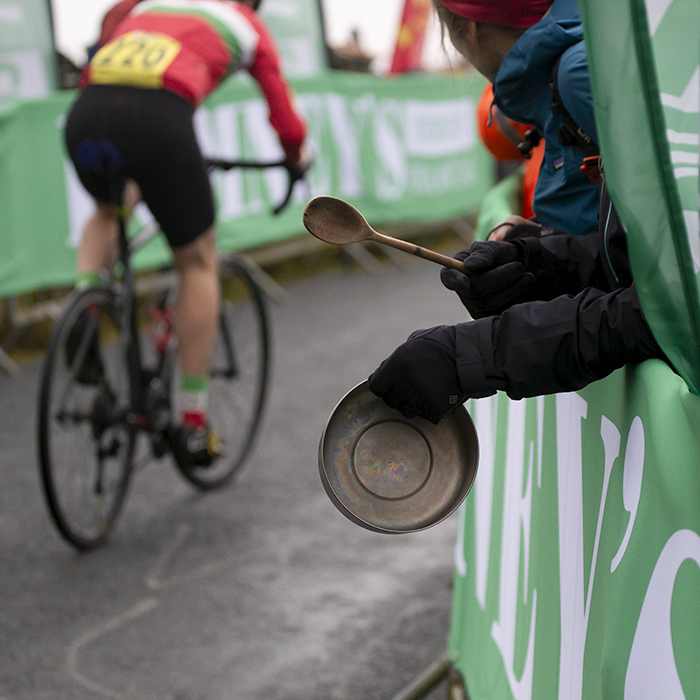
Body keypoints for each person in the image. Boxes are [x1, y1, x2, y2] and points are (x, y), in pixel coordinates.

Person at [367, 0, 666, 423]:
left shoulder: (581, 72)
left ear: (466, 28)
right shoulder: (598, 59)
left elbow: (672, 306)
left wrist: (477, 355)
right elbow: (644, 260)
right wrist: (537, 262)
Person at [64, 0, 310, 467]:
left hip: (87, 111)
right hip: (160, 117)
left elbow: (106, 29)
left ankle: (86, 302)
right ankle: (193, 422)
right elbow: (284, 114)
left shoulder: (150, 5)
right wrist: (296, 156)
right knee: (198, 262)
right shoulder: (248, 25)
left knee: (110, 208)